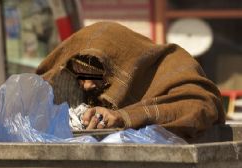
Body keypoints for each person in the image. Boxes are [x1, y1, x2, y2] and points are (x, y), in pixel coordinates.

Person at [36, 21, 225, 141]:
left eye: (95, 75)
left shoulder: (165, 66)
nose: (87, 85)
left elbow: (202, 106)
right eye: (79, 76)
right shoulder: (69, 84)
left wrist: (123, 117)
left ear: (120, 65)